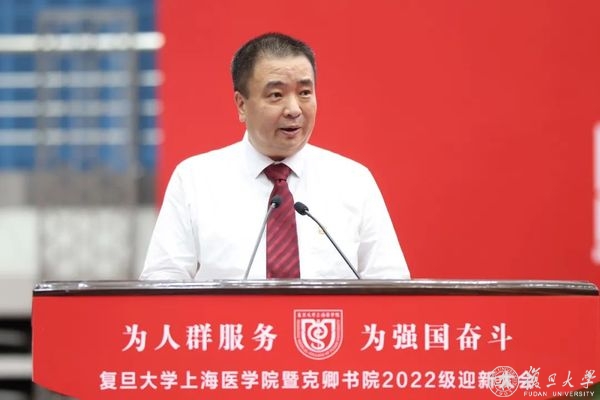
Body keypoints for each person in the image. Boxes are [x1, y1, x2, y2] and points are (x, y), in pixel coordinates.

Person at [140, 32, 410, 281]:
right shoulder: (195, 179)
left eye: (305, 93)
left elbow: (390, 284)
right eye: (276, 95)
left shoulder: (353, 180)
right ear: (242, 105)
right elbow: (163, 280)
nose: (294, 109)